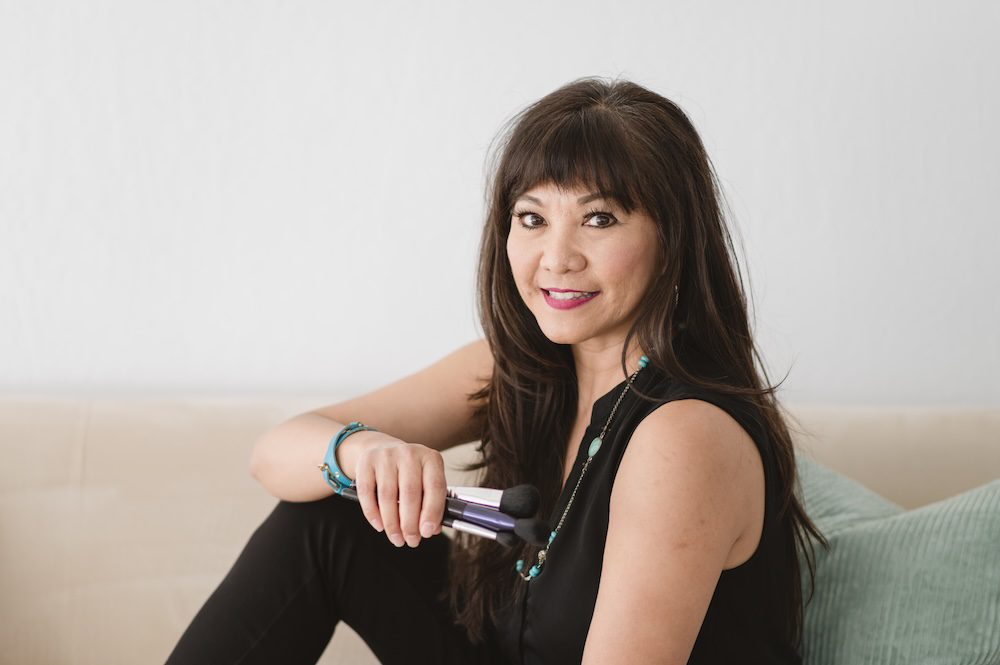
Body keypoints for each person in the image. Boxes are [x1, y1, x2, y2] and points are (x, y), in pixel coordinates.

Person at [165, 76, 828, 665]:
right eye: (532, 218)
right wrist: (363, 450)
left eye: (599, 218)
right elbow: (273, 455)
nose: (556, 256)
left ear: (673, 240)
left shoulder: (684, 437)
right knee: (326, 518)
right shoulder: (520, 368)